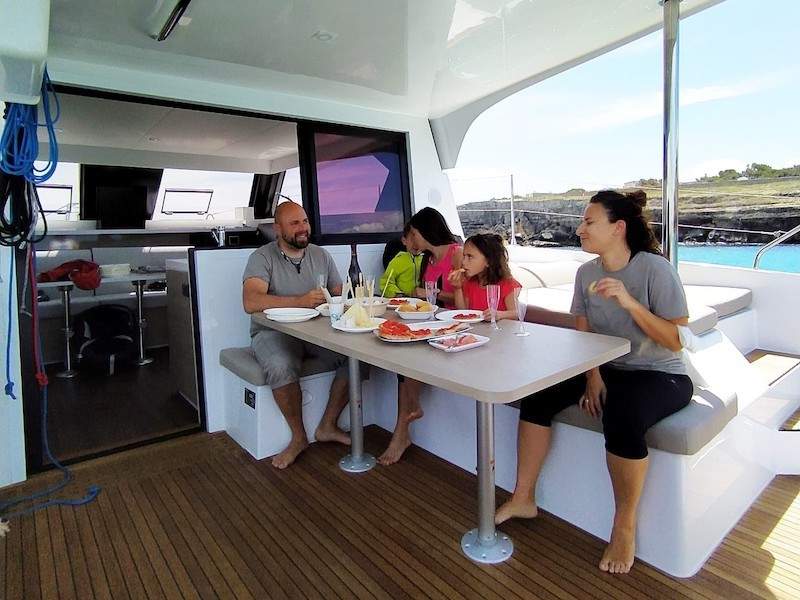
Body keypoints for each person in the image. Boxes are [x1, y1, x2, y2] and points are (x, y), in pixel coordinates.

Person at [495, 190, 693, 575]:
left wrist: (630, 302)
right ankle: (523, 497)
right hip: (604, 367)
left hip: (661, 374)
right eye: (582, 221)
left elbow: (676, 340)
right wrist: (592, 376)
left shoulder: (654, 269)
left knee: (622, 416)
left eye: (589, 222)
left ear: (618, 228)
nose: (580, 228)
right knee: (537, 396)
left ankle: (623, 526)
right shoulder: (586, 273)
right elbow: (582, 332)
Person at [242, 202, 351, 469]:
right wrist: (299, 301)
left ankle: (327, 424)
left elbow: (338, 294)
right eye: (295, 224)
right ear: (277, 229)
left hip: (316, 332)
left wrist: (344, 300)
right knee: (280, 365)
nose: (303, 228)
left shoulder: (321, 255)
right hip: (272, 333)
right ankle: (299, 437)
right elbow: (251, 301)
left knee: (358, 357)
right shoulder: (262, 257)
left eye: (305, 221)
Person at [378, 207, 463, 465]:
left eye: (412, 233)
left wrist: (427, 294)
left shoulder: (456, 254)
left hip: (455, 324)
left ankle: (401, 432)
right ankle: (405, 424)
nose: (409, 240)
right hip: (432, 321)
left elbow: (463, 296)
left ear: (422, 232)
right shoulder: (428, 259)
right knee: (401, 350)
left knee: (407, 354)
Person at [448, 233, 521, 321]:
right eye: (464, 256)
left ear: (489, 261)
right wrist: (457, 288)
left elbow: (516, 313)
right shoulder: (470, 283)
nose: (463, 262)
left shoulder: (508, 284)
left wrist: (500, 314)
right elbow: (464, 312)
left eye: (470, 257)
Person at [406, 207, 462, 309]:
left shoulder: (457, 254)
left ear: (425, 231)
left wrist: (431, 292)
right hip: (433, 318)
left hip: (454, 318)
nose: (413, 239)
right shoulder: (427, 258)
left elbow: (466, 298)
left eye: (414, 234)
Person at [379, 224, 423, 298]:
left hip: (423, 302)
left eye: (419, 240)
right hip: (403, 301)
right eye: (412, 240)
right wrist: (397, 294)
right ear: (404, 241)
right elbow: (386, 282)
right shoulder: (397, 260)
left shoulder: (427, 260)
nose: (416, 244)